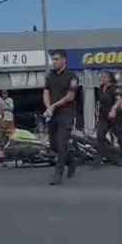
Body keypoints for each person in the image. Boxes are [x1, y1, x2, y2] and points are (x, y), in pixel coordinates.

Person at [43, 49, 79, 185]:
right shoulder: (50, 76)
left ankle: (58, 173)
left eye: (56, 59)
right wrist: (48, 107)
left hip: (66, 112)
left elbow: (70, 96)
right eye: (53, 59)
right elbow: (46, 91)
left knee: (61, 142)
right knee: (53, 145)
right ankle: (71, 161)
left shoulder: (72, 76)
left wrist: (54, 106)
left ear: (64, 60)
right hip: (53, 114)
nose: (54, 62)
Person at [94, 71, 122, 168]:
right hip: (103, 116)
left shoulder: (114, 88)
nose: (102, 78)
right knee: (100, 135)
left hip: (115, 116)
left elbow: (119, 100)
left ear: (109, 78)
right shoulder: (100, 89)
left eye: (104, 76)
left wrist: (113, 110)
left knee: (119, 135)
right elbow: (99, 103)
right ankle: (99, 157)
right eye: (101, 76)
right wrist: (97, 114)